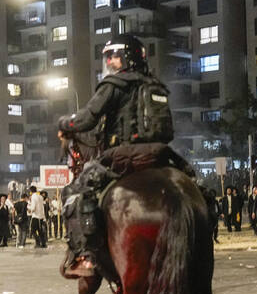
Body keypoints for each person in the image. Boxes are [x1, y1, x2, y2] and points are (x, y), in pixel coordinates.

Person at [56, 34, 190, 277]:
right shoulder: (157, 86)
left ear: (125, 58)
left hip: (123, 153)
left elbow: (87, 119)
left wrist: (65, 122)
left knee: (75, 192)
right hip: (160, 153)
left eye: (114, 57)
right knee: (195, 184)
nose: (110, 62)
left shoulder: (115, 84)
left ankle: (83, 255)